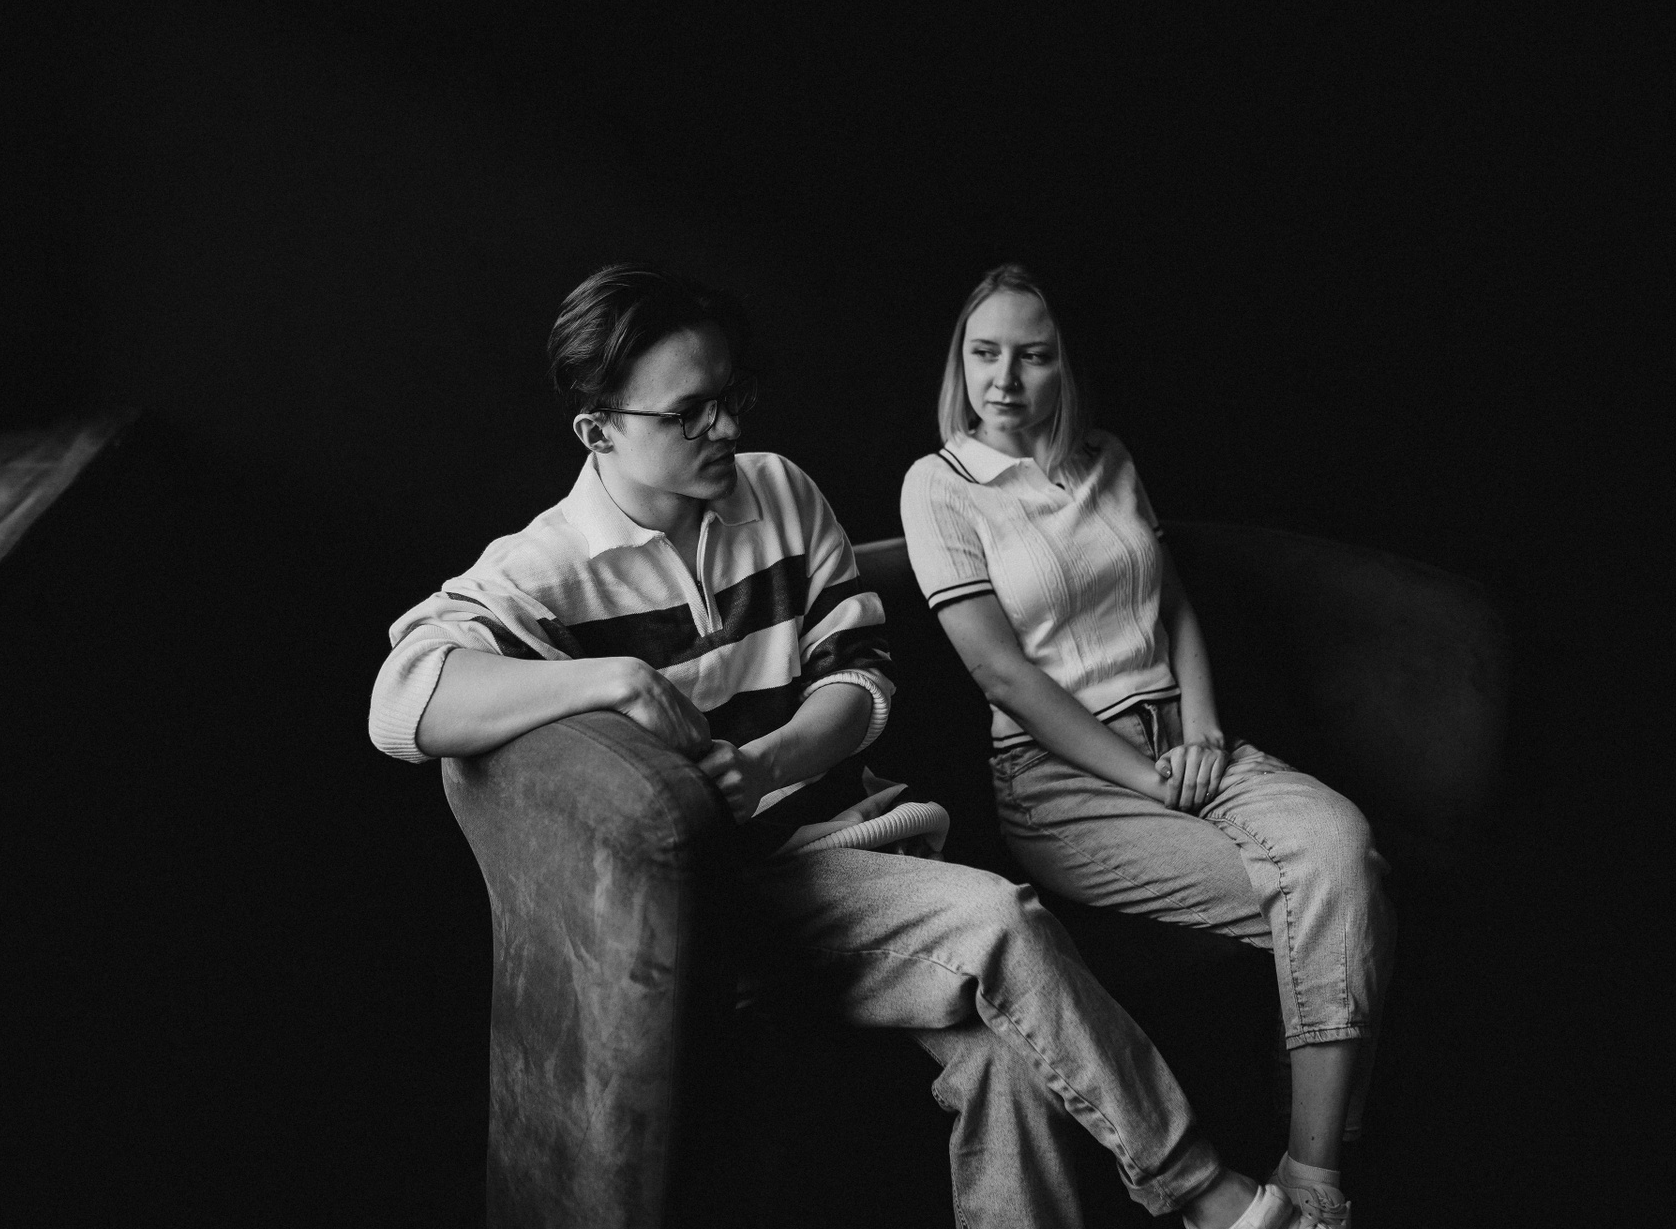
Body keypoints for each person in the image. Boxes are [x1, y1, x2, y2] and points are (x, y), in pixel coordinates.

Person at [369, 263, 1310, 1229]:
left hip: (874, 852)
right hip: (743, 904)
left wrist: (771, 760)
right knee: (1000, 920)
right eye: (688, 414)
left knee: (1010, 1065)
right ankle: (1201, 1190)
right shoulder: (548, 567)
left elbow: (861, 681)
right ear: (598, 431)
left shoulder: (777, 490)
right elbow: (402, 700)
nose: (725, 428)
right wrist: (612, 679)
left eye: (731, 396)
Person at [899, 263, 1396, 1229]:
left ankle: (1302, 1171)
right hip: (1062, 782)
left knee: (1345, 843)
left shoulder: (1108, 456)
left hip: (1187, 742)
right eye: (984, 353)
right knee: (1344, 891)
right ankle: (1322, 1187)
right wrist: (1144, 777)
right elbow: (1004, 677)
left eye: (1033, 356)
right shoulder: (939, 486)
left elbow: (1172, 602)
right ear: (960, 363)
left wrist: (1202, 726)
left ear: (1066, 367)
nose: (1004, 379)